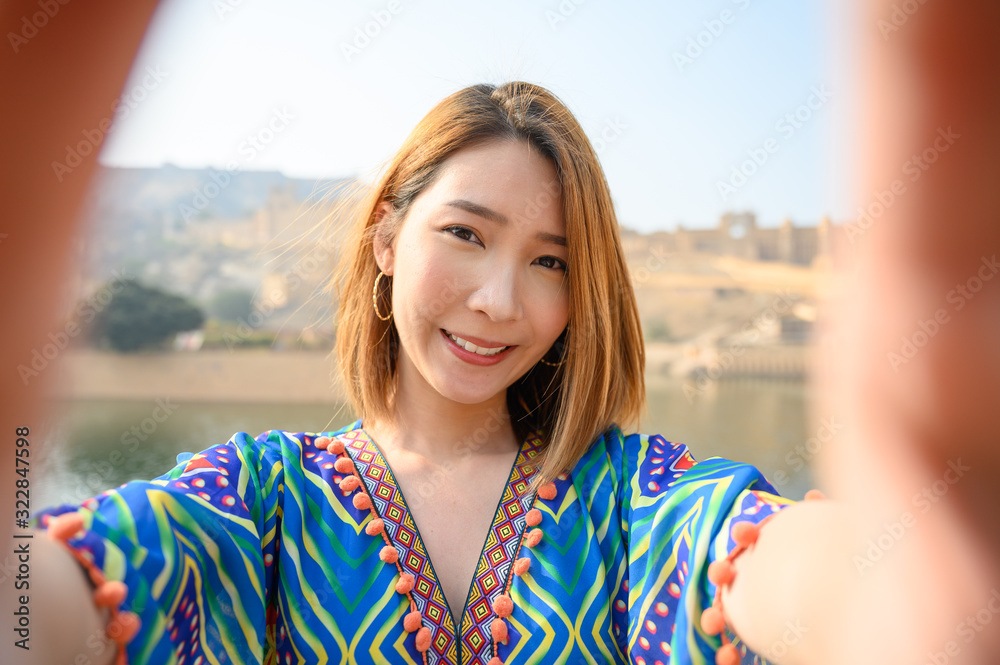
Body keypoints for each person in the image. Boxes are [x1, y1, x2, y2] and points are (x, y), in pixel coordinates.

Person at [10, 2, 1000, 665]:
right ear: (388, 237)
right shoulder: (256, 501)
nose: (497, 297)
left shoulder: (635, 503)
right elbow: (45, 600)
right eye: (465, 234)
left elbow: (803, 573)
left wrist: (927, 568)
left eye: (550, 259)